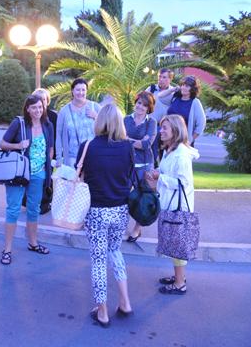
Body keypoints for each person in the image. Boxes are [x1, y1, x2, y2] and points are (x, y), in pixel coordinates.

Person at [76, 104, 134, 328]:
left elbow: (79, 175)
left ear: (99, 121)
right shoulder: (128, 147)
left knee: (98, 260)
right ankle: (125, 302)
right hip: (120, 209)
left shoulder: (87, 146)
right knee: (115, 251)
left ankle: (102, 311)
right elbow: (129, 176)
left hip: (96, 210)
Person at [147, 114, 199, 295]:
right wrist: (158, 172)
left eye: (165, 128)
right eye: (161, 127)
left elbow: (182, 183)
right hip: (170, 204)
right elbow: (168, 173)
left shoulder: (181, 155)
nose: (161, 131)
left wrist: (160, 177)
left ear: (175, 131)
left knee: (177, 245)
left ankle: (179, 284)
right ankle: (179, 276)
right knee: (173, 242)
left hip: (179, 208)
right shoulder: (170, 151)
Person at [0, 95, 55, 265]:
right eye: (34, 107)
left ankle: (33, 243)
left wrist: (48, 168)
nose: (38, 110)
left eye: (40, 107)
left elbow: (50, 148)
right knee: (13, 210)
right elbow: (2, 143)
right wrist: (18, 146)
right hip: (19, 174)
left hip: (39, 175)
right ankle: (7, 249)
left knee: (34, 209)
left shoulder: (48, 125)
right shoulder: (19, 123)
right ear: (28, 109)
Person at [124, 91, 157, 243]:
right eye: (139, 103)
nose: (140, 107)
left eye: (144, 105)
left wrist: (128, 139)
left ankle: (137, 229)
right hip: (126, 163)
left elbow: (146, 145)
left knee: (142, 199)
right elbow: (119, 139)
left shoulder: (152, 123)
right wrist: (136, 141)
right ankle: (120, 226)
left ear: (149, 108)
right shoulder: (126, 120)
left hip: (144, 165)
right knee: (123, 196)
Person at [55, 78, 101, 167]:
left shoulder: (95, 107)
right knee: (73, 181)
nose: (81, 93)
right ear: (72, 91)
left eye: (83, 90)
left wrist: (96, 117)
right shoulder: (64, 111)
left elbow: (108, 127)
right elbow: (59, 136)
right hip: (72, 158)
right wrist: (59, 158)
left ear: (87, 91)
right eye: (78, 90)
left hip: (93, 156)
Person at [157, 75, 206, 147]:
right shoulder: (175, 98)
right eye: (182, 85)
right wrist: (173, 89)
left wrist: (190, 139)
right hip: (168, 140)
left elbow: (201, 124)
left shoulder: (195, 102)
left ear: (192, 89)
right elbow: (160, 96)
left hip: (183, 142)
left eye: (187, 86)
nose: (183, 87)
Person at [32, 88, 57, 214]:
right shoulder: (31, 116)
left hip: (49, 154)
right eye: (38, 99)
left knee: (46, 180)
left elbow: (56, 138)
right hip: (33, 156)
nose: (41, 102)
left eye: (44, 99)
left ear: (47, 101)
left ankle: (45, 204)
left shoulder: (53, 116)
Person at [146, 68, 174, 166]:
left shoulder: (173, 93)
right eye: (159, 77)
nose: (161, 79)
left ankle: (162, 170)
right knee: (151, 148)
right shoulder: (152, 89)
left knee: (164, 150)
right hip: (150, 124)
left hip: (164, 127)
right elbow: (143, 101)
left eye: (164, 77)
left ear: (170, 79)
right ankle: (152, 168)